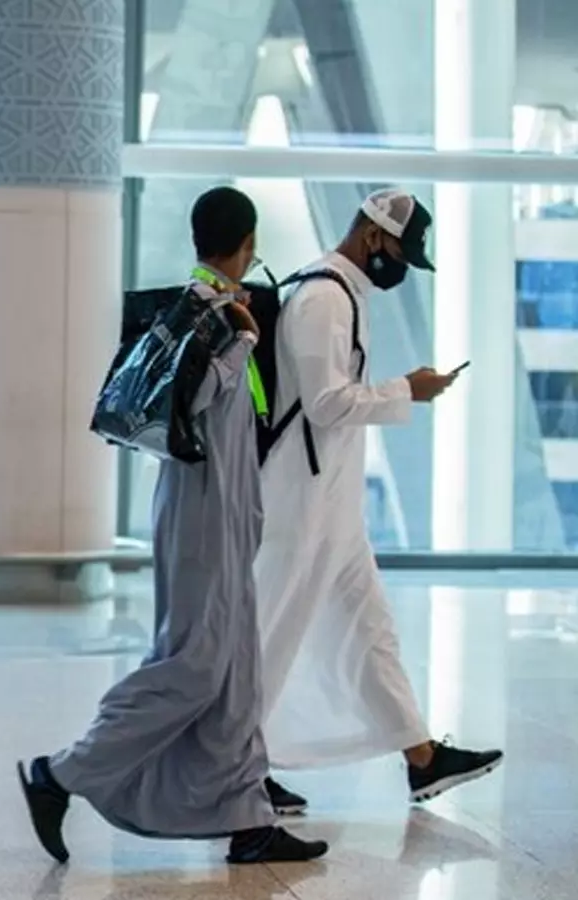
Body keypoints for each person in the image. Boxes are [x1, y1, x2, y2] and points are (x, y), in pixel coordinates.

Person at [17, 187, 328, 866]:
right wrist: (241, 342)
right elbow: (193, 403)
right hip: (200, 511)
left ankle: (248, 820)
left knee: (237, 669)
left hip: (226, 510)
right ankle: (61, 773)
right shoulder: (203, 313)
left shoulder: (221, 309)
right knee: (196, 664)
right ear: (247, 243)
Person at [255, 188, 503, 816]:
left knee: (370, 630)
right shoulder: (323, 299)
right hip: (301, 502)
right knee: (274, 635)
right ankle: (240, 768)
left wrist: (401, 391)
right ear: (372, 235)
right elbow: (324, 403)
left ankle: (421, 758)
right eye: (400, 251)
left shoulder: (344, 293)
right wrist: (405, 390)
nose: (401, 266)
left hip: (332, 502)